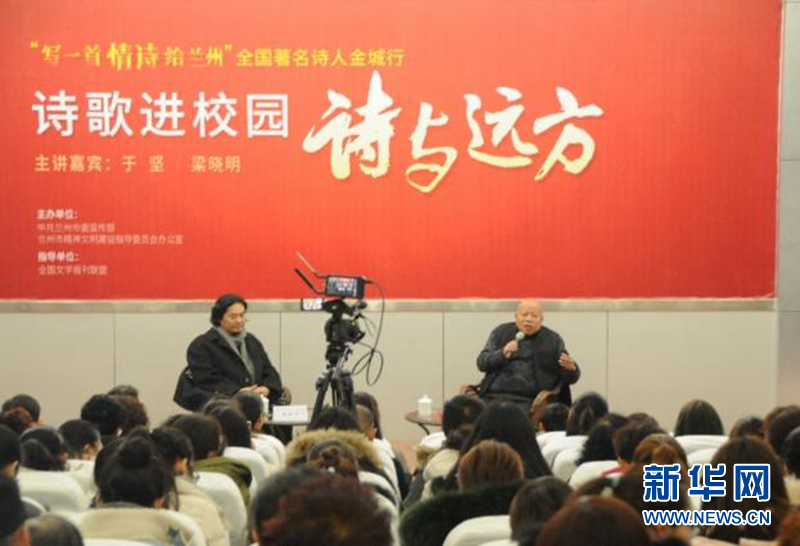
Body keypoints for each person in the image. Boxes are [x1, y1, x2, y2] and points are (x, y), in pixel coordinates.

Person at [178, 293, 284, 410]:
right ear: (219, 318)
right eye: (233, 317)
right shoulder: (201, 345)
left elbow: (269, 371)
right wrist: (236, 392)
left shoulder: (251, 341)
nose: (239, 320)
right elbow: (206, 380)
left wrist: (267, 388)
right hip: (220, 409)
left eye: (242, 315)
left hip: (256, 406)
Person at [477, 298, 580, 409]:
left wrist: (571, 369)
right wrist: (502, 353)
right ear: (516, 317)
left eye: (534, 316)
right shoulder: (500, 332)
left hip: (528, 400)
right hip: (492, 396)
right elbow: (481, 363)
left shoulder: (553, 340)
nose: (528, 319)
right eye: (524, 315)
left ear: (541, 319)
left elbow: (571, 378)